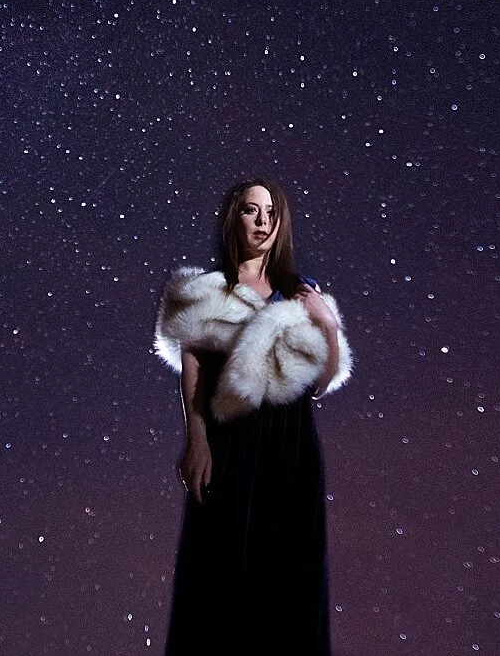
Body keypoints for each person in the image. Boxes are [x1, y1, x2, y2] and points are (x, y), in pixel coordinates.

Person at [152, 178, 354, 655]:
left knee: (291, 577)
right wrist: (196, 439)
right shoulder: (206, 292)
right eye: (251, 210)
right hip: (229, 443)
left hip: (292, 446)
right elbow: (193, 367)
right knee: (217, 572)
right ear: (234, 219)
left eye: (271, 212)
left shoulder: (301, 293)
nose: (262, 221)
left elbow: (324, 379)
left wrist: (325, 321)